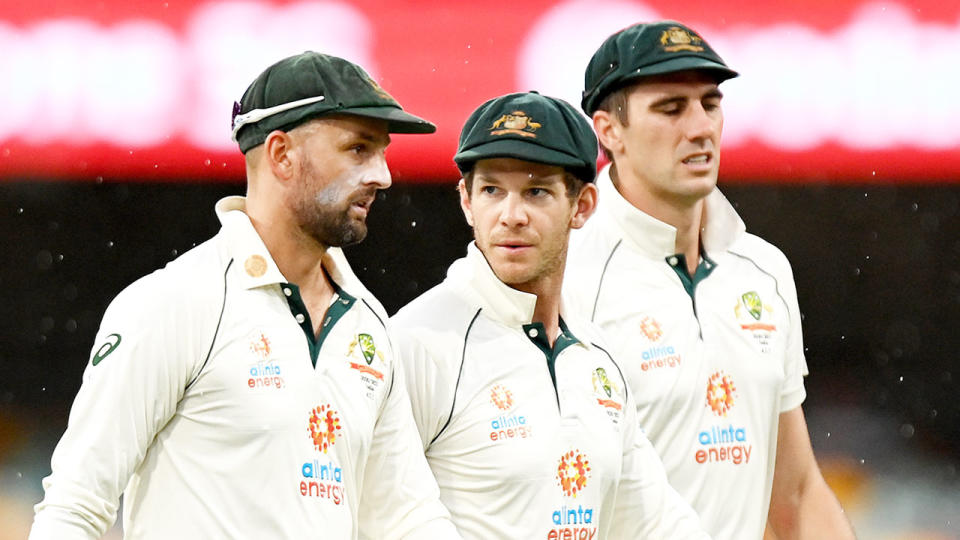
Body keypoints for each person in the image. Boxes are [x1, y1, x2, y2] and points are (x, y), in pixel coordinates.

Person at [30, 51, 460, 539]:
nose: (382, 175)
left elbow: (406, 518)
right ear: (281, 155)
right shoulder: (175, 303)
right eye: (358, 149)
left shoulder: (370, 325)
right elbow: (75, 505)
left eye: (382, 152)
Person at [565, 21, 857, 539]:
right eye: (671, 109)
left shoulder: (764, 270)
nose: (699, 127)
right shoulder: (566, 276)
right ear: (609, 131)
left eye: (710, 103)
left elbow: (793, 493)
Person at [391, 91, 708, 539]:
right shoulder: (417, 342)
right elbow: (376, 514)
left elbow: (654, 525)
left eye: (536, 191)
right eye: (492, 190)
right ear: (466, 201)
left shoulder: (597, 356)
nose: (511, 215)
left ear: (582, 206)